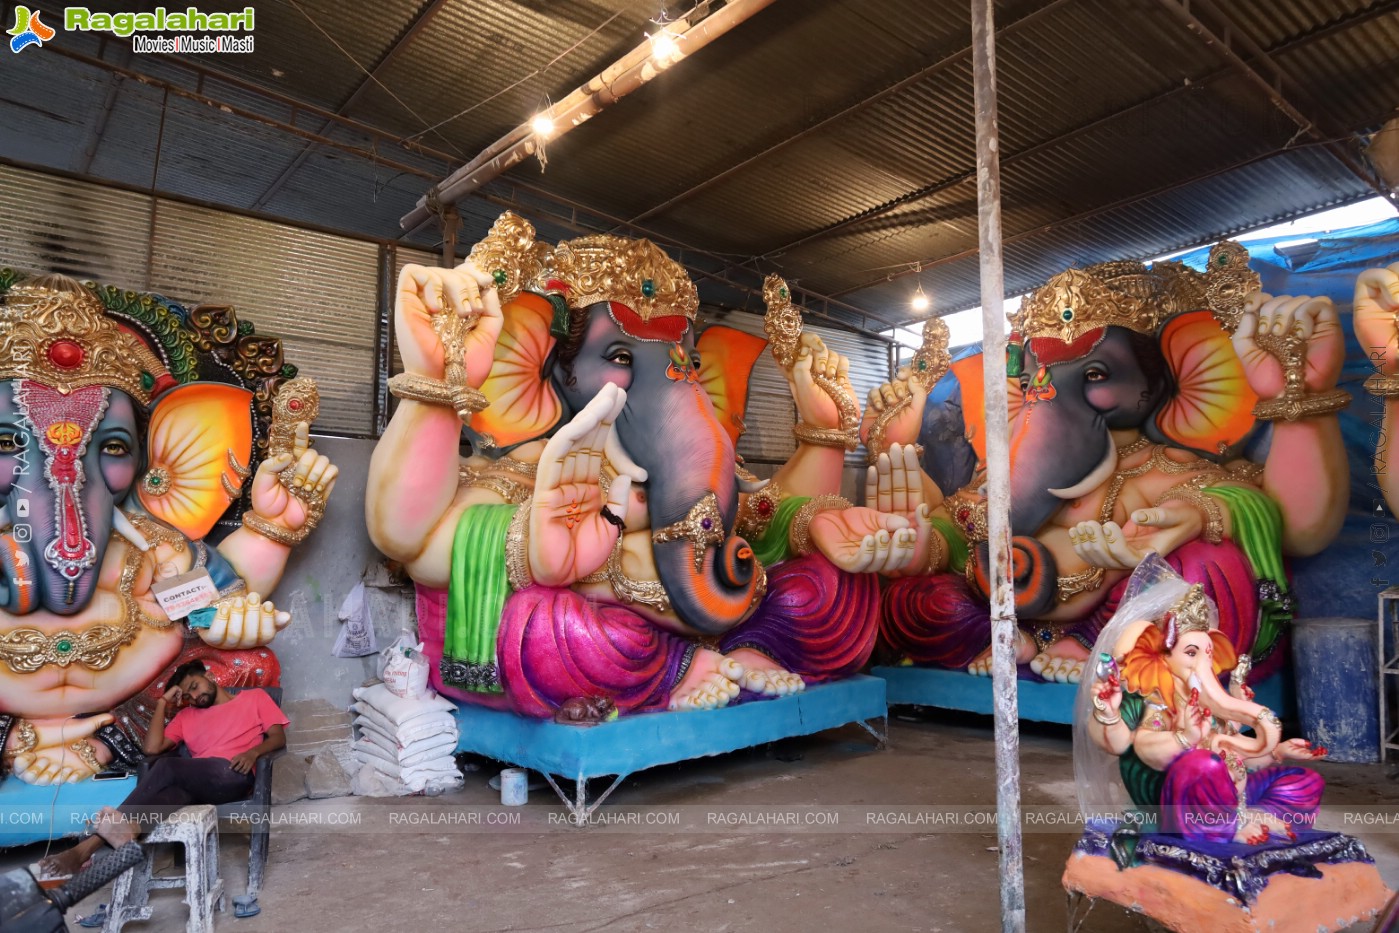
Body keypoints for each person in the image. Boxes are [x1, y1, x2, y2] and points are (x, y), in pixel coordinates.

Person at [38, 660, 288, 878]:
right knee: (170, 797)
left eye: (195, 686)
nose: (193, 697)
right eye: (187, 695)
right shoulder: (186, 717)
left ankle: (103, 836)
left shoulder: (254, 698)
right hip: (198, 786)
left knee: (167, 766)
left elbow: (278, 738)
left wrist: (252, 752)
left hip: (233, 775)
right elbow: (152, 748)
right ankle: (87, 849)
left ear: (210, 677)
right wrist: (162, 703)